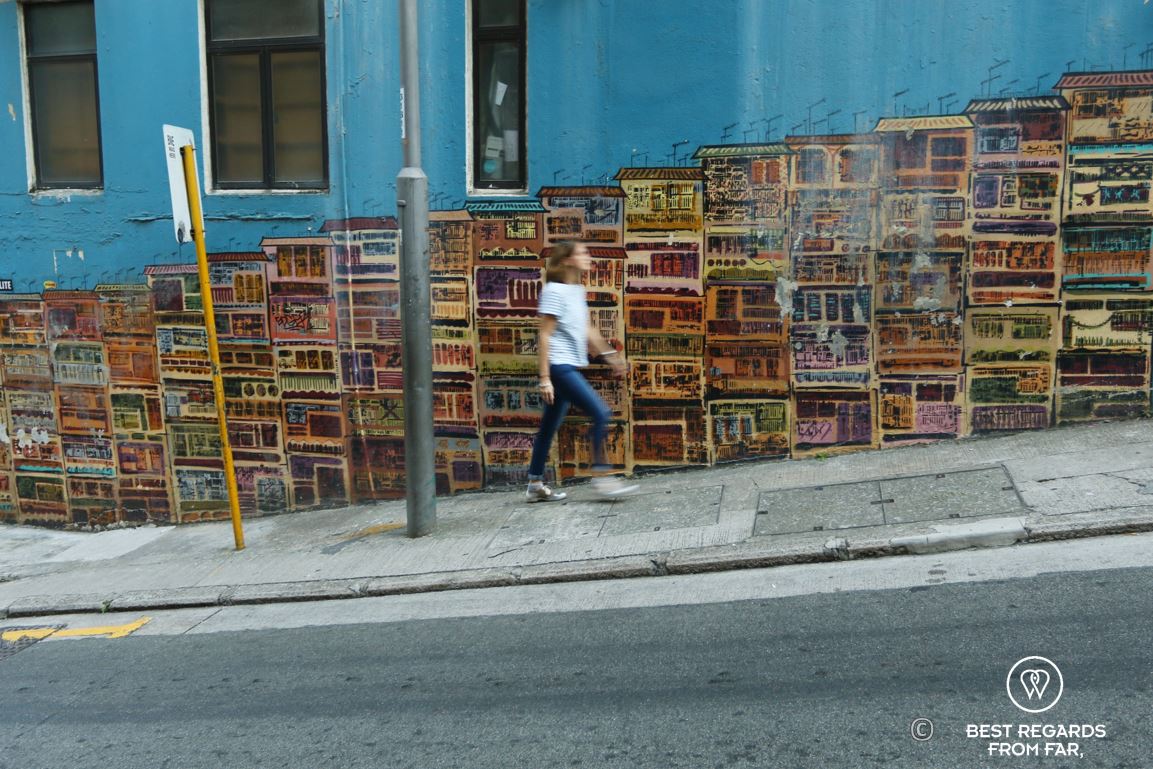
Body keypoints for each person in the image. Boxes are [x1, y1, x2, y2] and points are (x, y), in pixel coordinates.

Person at [526, 241, 639, 502]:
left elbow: (588, 329)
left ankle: (535, 483)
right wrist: (544, 379)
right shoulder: (554, 290)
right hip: (559, 367)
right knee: (601, 413)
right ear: (567, 260)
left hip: (567, 365)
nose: (588, 256)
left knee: (548, 426)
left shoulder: (576, 290)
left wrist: (610, 357)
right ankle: (601, 478)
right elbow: (544, 335)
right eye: (582, 253)